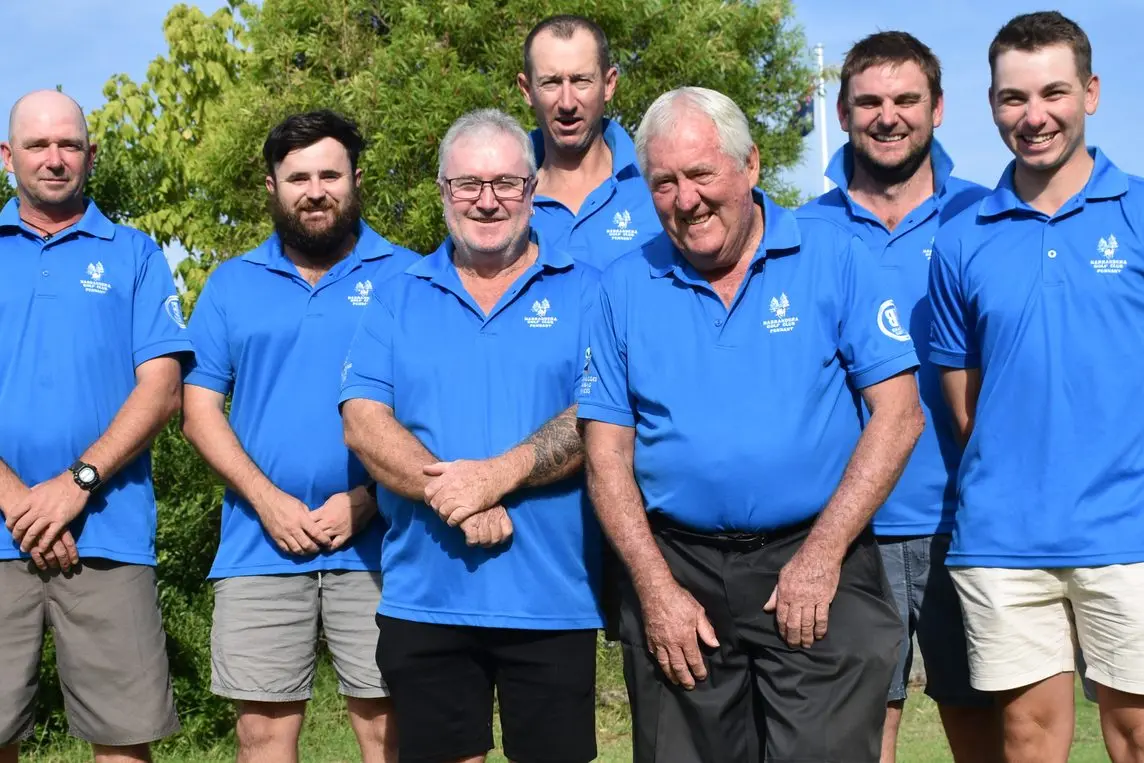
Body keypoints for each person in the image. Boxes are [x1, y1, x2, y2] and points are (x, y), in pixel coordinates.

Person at [579, 86, 925, 763]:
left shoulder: (837, 259)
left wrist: (821, 557)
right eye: (664, 182)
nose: (686, 200)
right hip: (677, 566)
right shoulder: (622, 287)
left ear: (751, 166)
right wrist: (653, 587)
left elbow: (900, 414)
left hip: (818, 554)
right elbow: (606, 457)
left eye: (702, 174)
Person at [339, 108, 602, 763]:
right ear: (442, 191)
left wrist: (499, 474)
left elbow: (599, 413)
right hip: (427, 598)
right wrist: (453, 493)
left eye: (506, 183)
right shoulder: (396, 296)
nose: (487, 201)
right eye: (468, 184)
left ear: (533, 188)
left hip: (552, 595)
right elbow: (364, 421)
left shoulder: (591, 291)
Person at [928, 11, 1144, 763]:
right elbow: (965, 401)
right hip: (1005, 537)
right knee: (1027, 741)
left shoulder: (1140, 212)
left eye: (1053, 92)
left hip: (1130, 527)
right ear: (991, 105)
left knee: (1137, 735)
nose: (1033, 115)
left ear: (1091, 92)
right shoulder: (962, 237)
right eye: (1013, 98)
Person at [181, 111, 417, 763]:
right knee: (262, 733)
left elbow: (434, 411)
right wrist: (268, 501)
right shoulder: (231, 284)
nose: (315, 190)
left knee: (387, 723)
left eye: (330, 175)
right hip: (260, 541)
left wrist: (368, 496)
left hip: (382, 544)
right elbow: (198, 410)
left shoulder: (411, 276)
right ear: (272, 186)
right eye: (299, 177)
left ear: (356, 180)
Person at [798, 31, 999, 763]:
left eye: (906, 99)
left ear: (938, 108)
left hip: (968, 525)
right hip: (848, 532)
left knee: (990, 734)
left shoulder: (986, 219)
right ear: (844, 113)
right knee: (857, 738)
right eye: (870, 102)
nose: (889, 116)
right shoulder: (799, 232)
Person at [0, 90, 187, 763]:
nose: (54, 159)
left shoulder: (135, 254)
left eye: (69, 144)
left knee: (122, 742)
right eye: (38, 145)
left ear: (91, 153)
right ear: (7, 156)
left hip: (108, 529)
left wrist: (76, 484)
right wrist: (20, 501)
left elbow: (163, 389)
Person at [518, 14, 660, 269]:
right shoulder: (502, 196)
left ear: (609, 84)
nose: (567, 103)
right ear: (527, 90)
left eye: (581, 80)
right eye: (550, 83)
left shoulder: (659, 182)